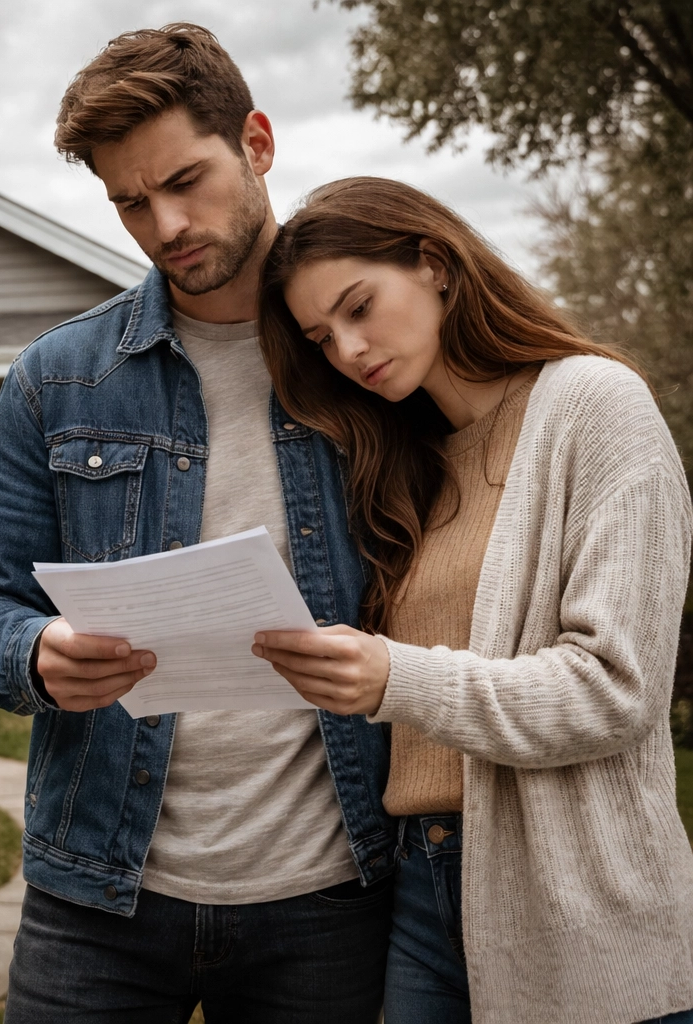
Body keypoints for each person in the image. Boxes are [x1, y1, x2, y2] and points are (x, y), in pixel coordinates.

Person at [0, 24, 398, 1023]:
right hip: (97, 897)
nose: (165, 225)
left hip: (329, 891)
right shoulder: (56, 379)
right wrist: (36, 651)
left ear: (259, 143)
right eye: (129, 202)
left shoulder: (369, 360)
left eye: (187, 180)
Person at [251, 176, 693, 1024]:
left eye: (359, 306)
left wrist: (394, 679)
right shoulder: (409, 463)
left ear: (435, 264)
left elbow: (616, 689)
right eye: (320, 337)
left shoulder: (596, 406)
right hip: (421, 889)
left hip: (577, 902)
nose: (346, 349)